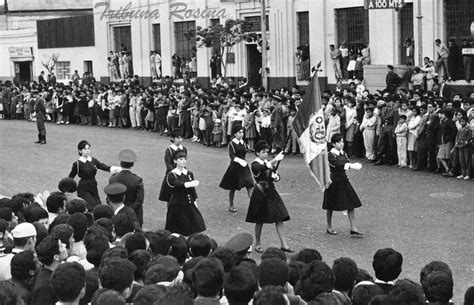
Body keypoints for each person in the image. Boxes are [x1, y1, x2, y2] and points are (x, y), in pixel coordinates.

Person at [245, 140, 292, 253]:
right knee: (259, 220)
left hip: (271, 191)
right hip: (260, 193)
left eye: (266, 152)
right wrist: (275, 160)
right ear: (257, 153)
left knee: (280, 216)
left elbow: (271, 174)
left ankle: (284, 244)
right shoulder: (254, 164)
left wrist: (275, 176)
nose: (265, 154)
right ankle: (258, 243)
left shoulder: (266, 162)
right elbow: (261, 169)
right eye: (263, 152)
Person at [323, 134, 363, 236]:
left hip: (343, 180)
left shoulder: (343, 153)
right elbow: (337, 165)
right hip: (333, 181)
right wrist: (350, 166)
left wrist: (349, 165)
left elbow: (345, 163)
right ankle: (329, 226)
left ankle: (353, 227)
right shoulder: (330, 154)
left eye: (342, 142)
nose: (341, 144)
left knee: (351, 203)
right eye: (339, 142)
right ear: (333, 144)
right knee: (330, 205)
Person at [68, 140, 121, 211]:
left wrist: (116, 169)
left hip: (93, 185)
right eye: (85, 149)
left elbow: (103, 166)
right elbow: (71, 177)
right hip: (83, 187)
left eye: (88, 149)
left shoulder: (93, 160)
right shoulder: (77, 164)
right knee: (89, 206)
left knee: (97, 205)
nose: (87, 151)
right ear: (80, 151)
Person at [165, 150, 206, 236]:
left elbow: (192, 189)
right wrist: (187, 184)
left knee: (194, 228)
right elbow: (175, 184)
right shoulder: (172, 174)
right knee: (176, 232)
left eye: (185, 159)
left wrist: (195, 200)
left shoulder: (189, 174)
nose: (184, 161)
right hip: (177, 206)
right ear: (175, 161)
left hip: (188, 203)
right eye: (181, 159)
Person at [219, 124, 254, 213]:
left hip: (244, 166)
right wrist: (239, 160)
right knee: (233, 187)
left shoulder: (243, 142)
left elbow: (245, 151)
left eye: (242, 132)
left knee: (249, 184)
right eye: (239, 132)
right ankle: (231, 205)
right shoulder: (232, 143)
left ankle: (254, 205)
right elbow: (232, 156)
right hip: (235, 167)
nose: (241, 134)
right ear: (235, 134)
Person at [109, 149, 145, 226]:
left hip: (117, 212)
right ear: (132, 165)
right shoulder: (137, 180)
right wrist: (130, 209)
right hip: (134, 215)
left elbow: (109, 197)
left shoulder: (113, 178)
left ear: (121, 163)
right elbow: (139, 200)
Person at [159, 128, 187, 203]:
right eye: (178, 138)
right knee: (171, 197)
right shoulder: (169, 150)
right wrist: (175, 174)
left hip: (182, 173)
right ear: (173, 138)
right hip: (172, 173)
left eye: (181, 137)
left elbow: (184, 162)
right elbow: (168, 164)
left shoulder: (184, 149)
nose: (180, 139)